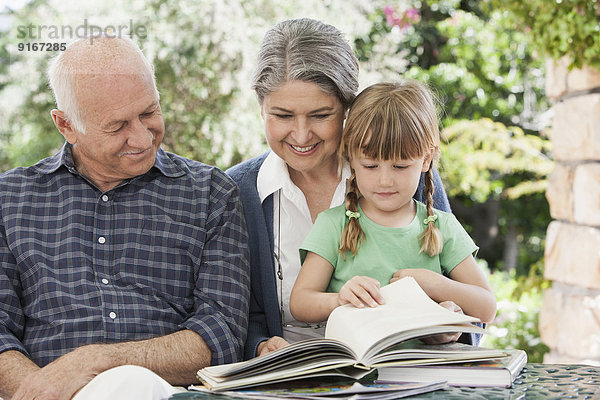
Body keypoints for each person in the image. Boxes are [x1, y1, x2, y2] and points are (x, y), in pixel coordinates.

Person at [0, 35, 250, 400]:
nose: (142, 137)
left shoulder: (211, 192)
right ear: (66, 125)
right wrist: (39, 390)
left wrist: (100, 362)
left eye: (149, 113)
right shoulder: (10, 198)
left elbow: (221, 334)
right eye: (117, 127)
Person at [226, 18, 454, 360]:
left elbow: (461, 298)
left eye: (320, 115)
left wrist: (448, 325)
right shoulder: (236, 193)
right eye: (283, 116)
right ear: (261, 108)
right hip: (287, 379)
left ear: (348, 108)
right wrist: (258, 344)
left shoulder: (401, 177)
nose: (301, 136)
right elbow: (225, 309)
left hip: (395, 374)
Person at [289, 81, 496, 332]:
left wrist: (436, 287)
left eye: (400, 167)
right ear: (351, 158)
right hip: (355, 367)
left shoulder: (442, 226)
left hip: (424, 367)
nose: (385, 180)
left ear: (426, 159)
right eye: (370, 166)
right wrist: (339, 298)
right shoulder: (334, 224)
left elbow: (487, 307)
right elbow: (300, 303)